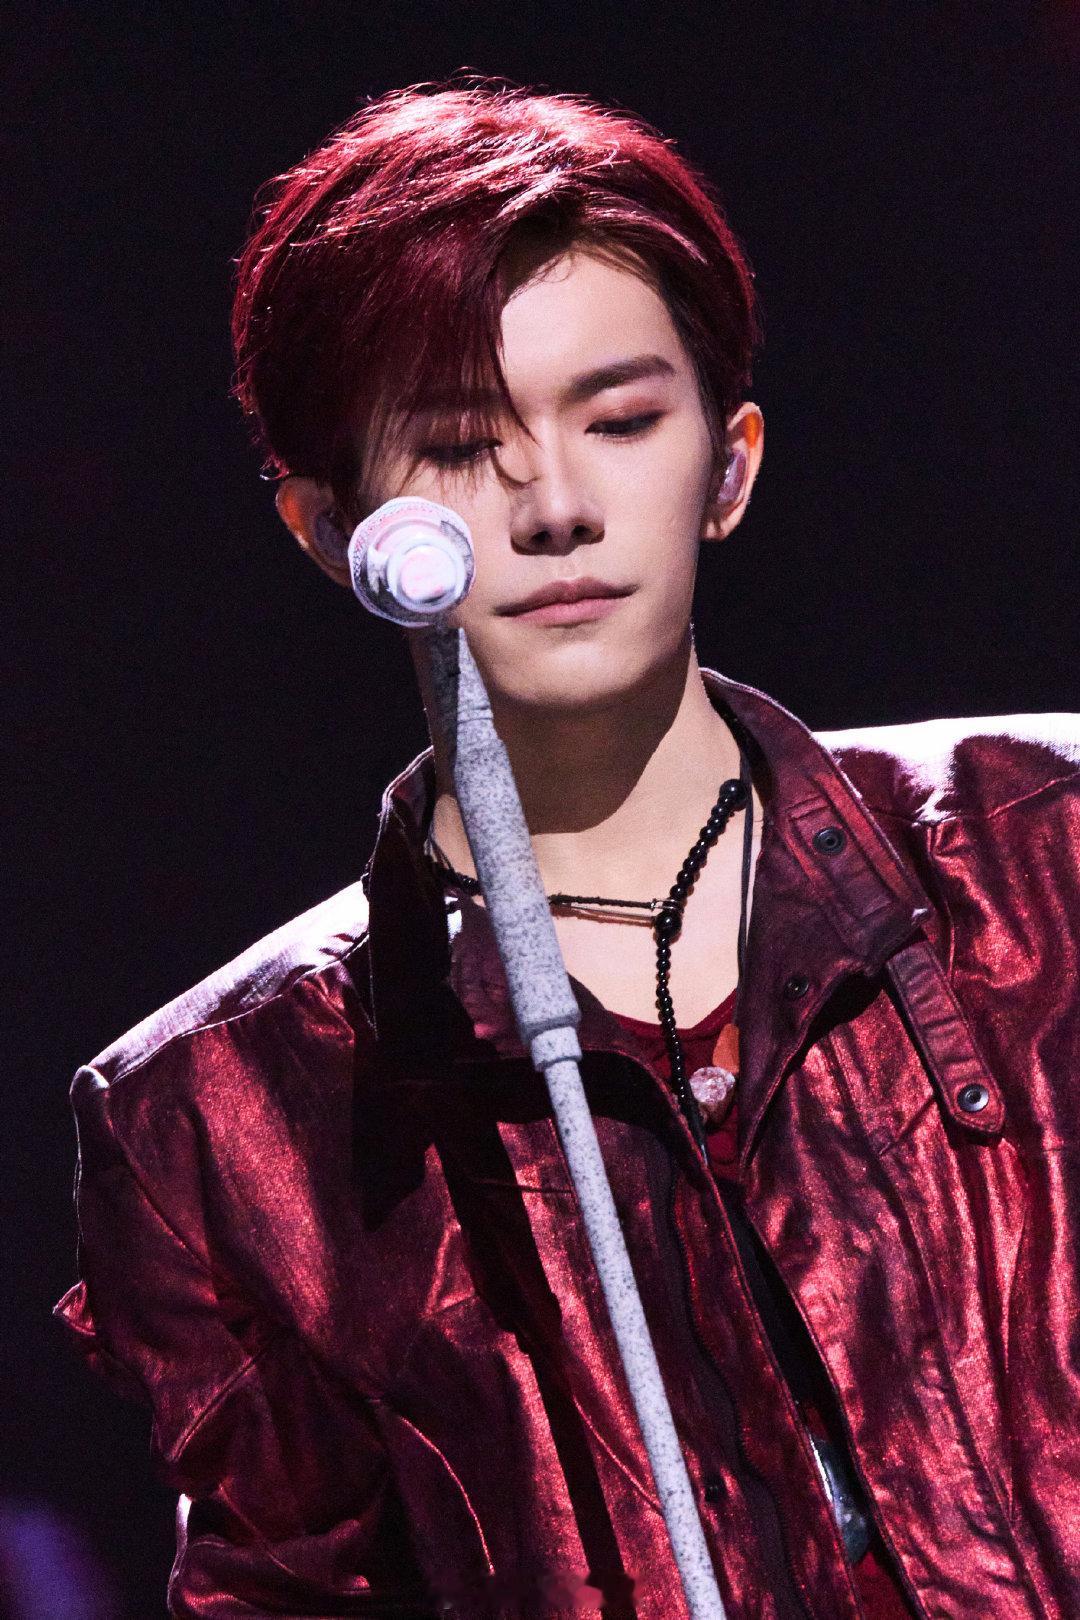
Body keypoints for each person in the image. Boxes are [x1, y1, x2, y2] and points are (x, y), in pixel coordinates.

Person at [54, 80, 1080, 1620]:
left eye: (621, 420)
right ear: (332, 531)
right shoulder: (223, 1116)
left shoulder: (1048, 851)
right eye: (464, 443)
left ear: (728, 464)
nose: (554, 505)